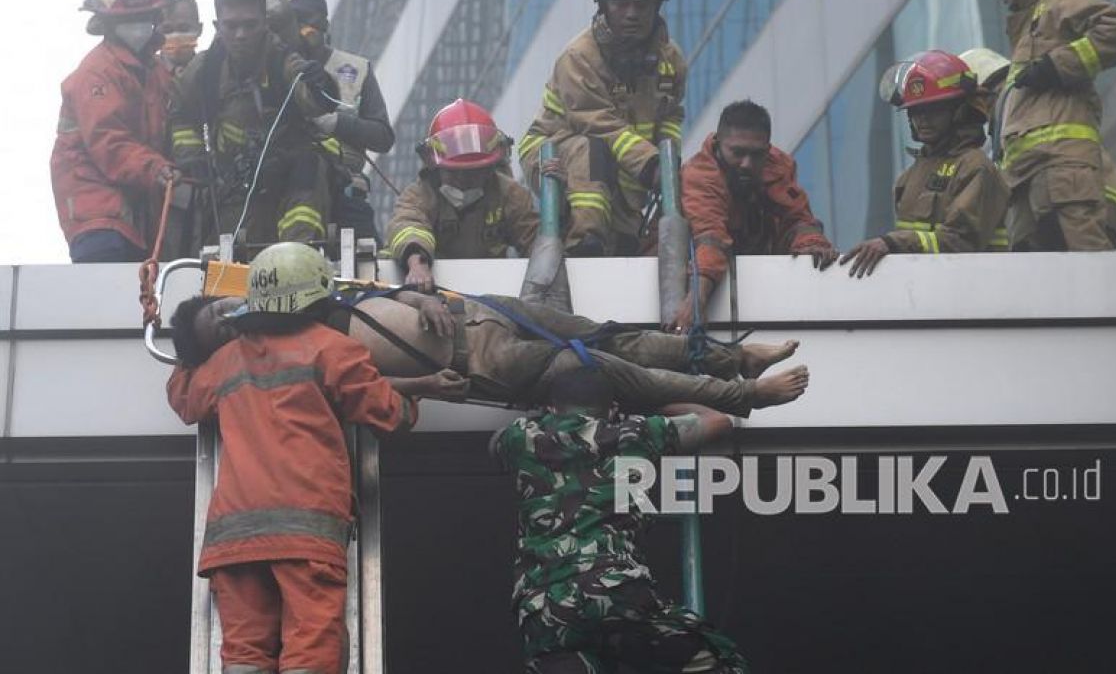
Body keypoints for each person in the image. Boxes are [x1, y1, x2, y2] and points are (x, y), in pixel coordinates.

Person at [166, 243, 466, 674]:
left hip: (233, 541)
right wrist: (420, 391)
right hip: (307, 533)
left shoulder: (223, 362)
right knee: (312, 649)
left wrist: (193, 345)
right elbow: (390, 416)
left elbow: (183, 397)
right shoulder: (332, 348)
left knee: (244, 654)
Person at [175, 247, 808, 417]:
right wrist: (426, 380)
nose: (228, 319)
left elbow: (371, 294)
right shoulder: (299, 352)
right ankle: (748, 394)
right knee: (615, 371)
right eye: (217, 323)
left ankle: (736, 358)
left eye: (222, 309)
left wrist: (416, 294)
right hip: (487, 361)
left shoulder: (298, 292)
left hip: (481, 309)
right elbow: (365, 388)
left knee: (612, 335)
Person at [492, 369, 760, 673]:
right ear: (612, 408)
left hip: (546, 608)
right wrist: (654, 402)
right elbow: (718, 420)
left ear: (551, 408)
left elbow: (496, 444)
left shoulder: (521, 437)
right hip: (615, 591)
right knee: (719, 661)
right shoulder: (638, 432)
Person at [971, 0, 1116, 251]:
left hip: (1063, 167)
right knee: (1040, 282)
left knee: (1087, 266)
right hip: (1027, 177)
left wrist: (1058, 65)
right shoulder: (1027, 28)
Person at [517, 0, 687, 257]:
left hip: (626, 156)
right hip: (553, 148)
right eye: (621, 4)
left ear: (657, 6)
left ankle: (620, 240)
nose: (632, 14)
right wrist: (652, 165)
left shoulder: (671, 61)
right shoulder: (579, 57)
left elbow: (671, 117)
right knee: (590, 151)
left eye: (641, 5)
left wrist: (668, 161)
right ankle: (585, 242)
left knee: (624, 234)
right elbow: (596, 122)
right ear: (603, 6)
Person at [169, 0, 337, 249]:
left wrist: (320, 85)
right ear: (217, 27)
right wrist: (193, 157)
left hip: (288, 178)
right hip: (230, 183)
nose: (240, 34)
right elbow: (180, 113)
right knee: (227, 257)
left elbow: (316, 102)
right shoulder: (205, 70)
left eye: (250, 25)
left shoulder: (282, 59)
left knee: (310, 168)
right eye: (231, 26)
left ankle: (298, 255)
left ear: (265, 24)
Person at [50, 0, 181, 263]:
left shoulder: (153, 71)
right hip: (97, 220)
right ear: (108, 22)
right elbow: (109, 141)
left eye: (147, 16)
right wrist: (157, 169)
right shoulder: (97, 73)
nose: (141, 26)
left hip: (132, 218)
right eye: (131, 19)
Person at [840, 51, 1011, 277]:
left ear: (958, 111)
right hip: (927, 291)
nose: (923, 120)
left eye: (933, 111)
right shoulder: (909, 177)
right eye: (916, 111)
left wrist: (891, 243)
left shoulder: (975, 166)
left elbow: (960, 240)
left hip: (976, 288)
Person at [673, 99, 835, 331]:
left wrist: (812, 245)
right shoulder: (700, 175)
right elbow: (711, 239)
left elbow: (796, 218)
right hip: (698, 268)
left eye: (756, 154)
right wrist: (696, 300)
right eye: (737, 153)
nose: (747, 164)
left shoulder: (777, 165)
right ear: (718, 144)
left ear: (767, 150)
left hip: (757, 277)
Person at [960, 46, 1116, 248]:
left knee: (1084, 270)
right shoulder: (1018, 103)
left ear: (981, 92)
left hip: (1075, 199)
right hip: (1088, 196)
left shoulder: (1017, 100)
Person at [385, 99, 539, 291]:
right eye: (454, 172)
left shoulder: (510, 194)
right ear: (435, 166)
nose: (464, 181)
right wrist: (417, 265)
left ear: (491, 167)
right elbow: (408, 225)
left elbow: (535, 240)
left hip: (495, 289)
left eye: (474, 172)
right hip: (434, 290)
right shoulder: (420, 195)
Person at [279, 0, 395, 242]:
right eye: (292, 21)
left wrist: (338, 123)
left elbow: (383, 137)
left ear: (323, 24)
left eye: (306, 20)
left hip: (344, 185)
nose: (300, 29)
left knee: (367, 261)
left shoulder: (355, 68)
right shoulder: (274, 67)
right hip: (288, 186)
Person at [158, 0, 203, 77]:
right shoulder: (143, 76)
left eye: (184, 29)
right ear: (156, 32)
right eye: (167, 30)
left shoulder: (214, 71)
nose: (175, 36)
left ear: (199, 29)